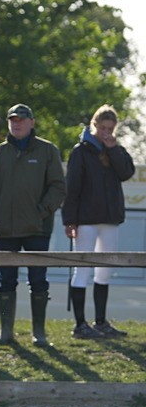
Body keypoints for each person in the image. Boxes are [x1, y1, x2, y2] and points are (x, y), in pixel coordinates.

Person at [0, 103, 66, 346]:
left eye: (21, 119)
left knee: (38, 280)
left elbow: (58, 187)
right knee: (5, 280)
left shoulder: (48, 150)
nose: (16, 124)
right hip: (5, 230)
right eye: (12, 120)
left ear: (32, 122)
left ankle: (39, 333)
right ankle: (5, 332)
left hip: (37, 229)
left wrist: (41, 212)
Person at [62, 105, 135, 339]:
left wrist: (113, 149)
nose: (106, 133)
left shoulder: (116, 149)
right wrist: (69, 220)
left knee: (105, 269)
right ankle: (80, 324)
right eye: (103, 128)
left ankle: (101, 322)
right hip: (85, 220)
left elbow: (126, 173)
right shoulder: (80, 151)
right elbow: (72, 187)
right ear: (94, 125)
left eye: (110, 129)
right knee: (82, 269)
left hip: (110, 219)